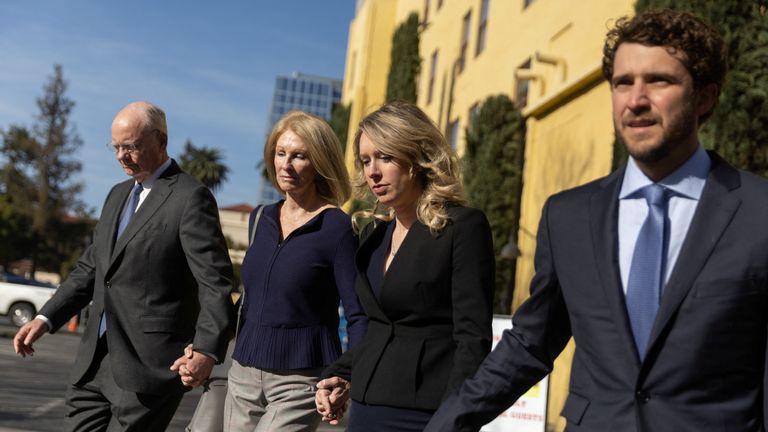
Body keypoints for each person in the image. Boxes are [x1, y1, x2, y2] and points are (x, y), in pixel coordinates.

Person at [425, 8, 768, 431]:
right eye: (622, 83)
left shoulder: (758, 213)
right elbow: (530, 344)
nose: (635, 100)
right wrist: (445, 426)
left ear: (705, 97)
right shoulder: (568, 216)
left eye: (659, 80)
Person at [13, 101, 234, 431]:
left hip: (149, 368)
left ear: (161, 141)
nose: (121, 156)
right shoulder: (116, 195)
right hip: (92, 365)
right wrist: (47, 317)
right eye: (115, 147)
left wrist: (206, 349)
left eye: (130, 146)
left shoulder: (191, 197)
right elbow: (91, 268)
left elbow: (214, 282)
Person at [315, 101, 495, 431]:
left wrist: (454, 417)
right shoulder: (373, 235)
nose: (372, 172)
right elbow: (378, 330)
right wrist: (342, 373)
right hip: (366, 408)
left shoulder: (462, 227)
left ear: (416, 157)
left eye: (385, 156)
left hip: (425, 415)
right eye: (365, 160)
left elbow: (473, 338)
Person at [222, 111, 367, 431]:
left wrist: (345, 375)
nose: (286, 164)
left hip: (301, 380)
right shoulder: (260, 218)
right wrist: (205, 342)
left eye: (299, 155)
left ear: (319, 163)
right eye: (280, 153)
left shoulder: (337, 227)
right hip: (242, 374)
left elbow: (358, 313)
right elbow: (253, 297)